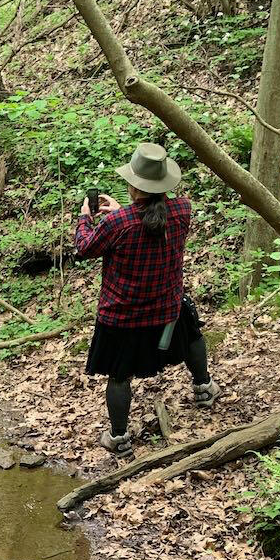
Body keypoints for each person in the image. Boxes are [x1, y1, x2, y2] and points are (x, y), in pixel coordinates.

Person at [75, 141, 219, 456]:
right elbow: (150, 221)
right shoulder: (182, 210)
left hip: (124, 317)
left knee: (119, 373)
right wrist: (123, 211)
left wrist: (87, 217)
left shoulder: (117, 223)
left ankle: (119, 438)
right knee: (192, 332)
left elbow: (84, 248)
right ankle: (204, 388)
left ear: (134, 185)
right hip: (168, 308)